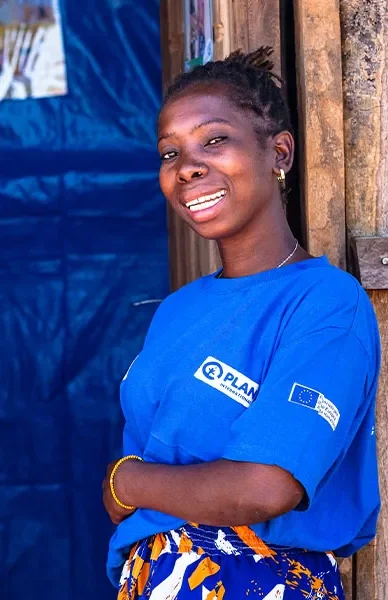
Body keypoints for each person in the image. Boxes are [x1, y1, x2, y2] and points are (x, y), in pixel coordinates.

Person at [102, 48, 380, 599]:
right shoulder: (178, 309)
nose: (187, 166)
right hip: (155, 578)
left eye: (213, 140)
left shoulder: (325, 302)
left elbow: (265, 486)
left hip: (255, 581)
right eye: (169, 152)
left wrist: (126, 480)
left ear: (279, 151)